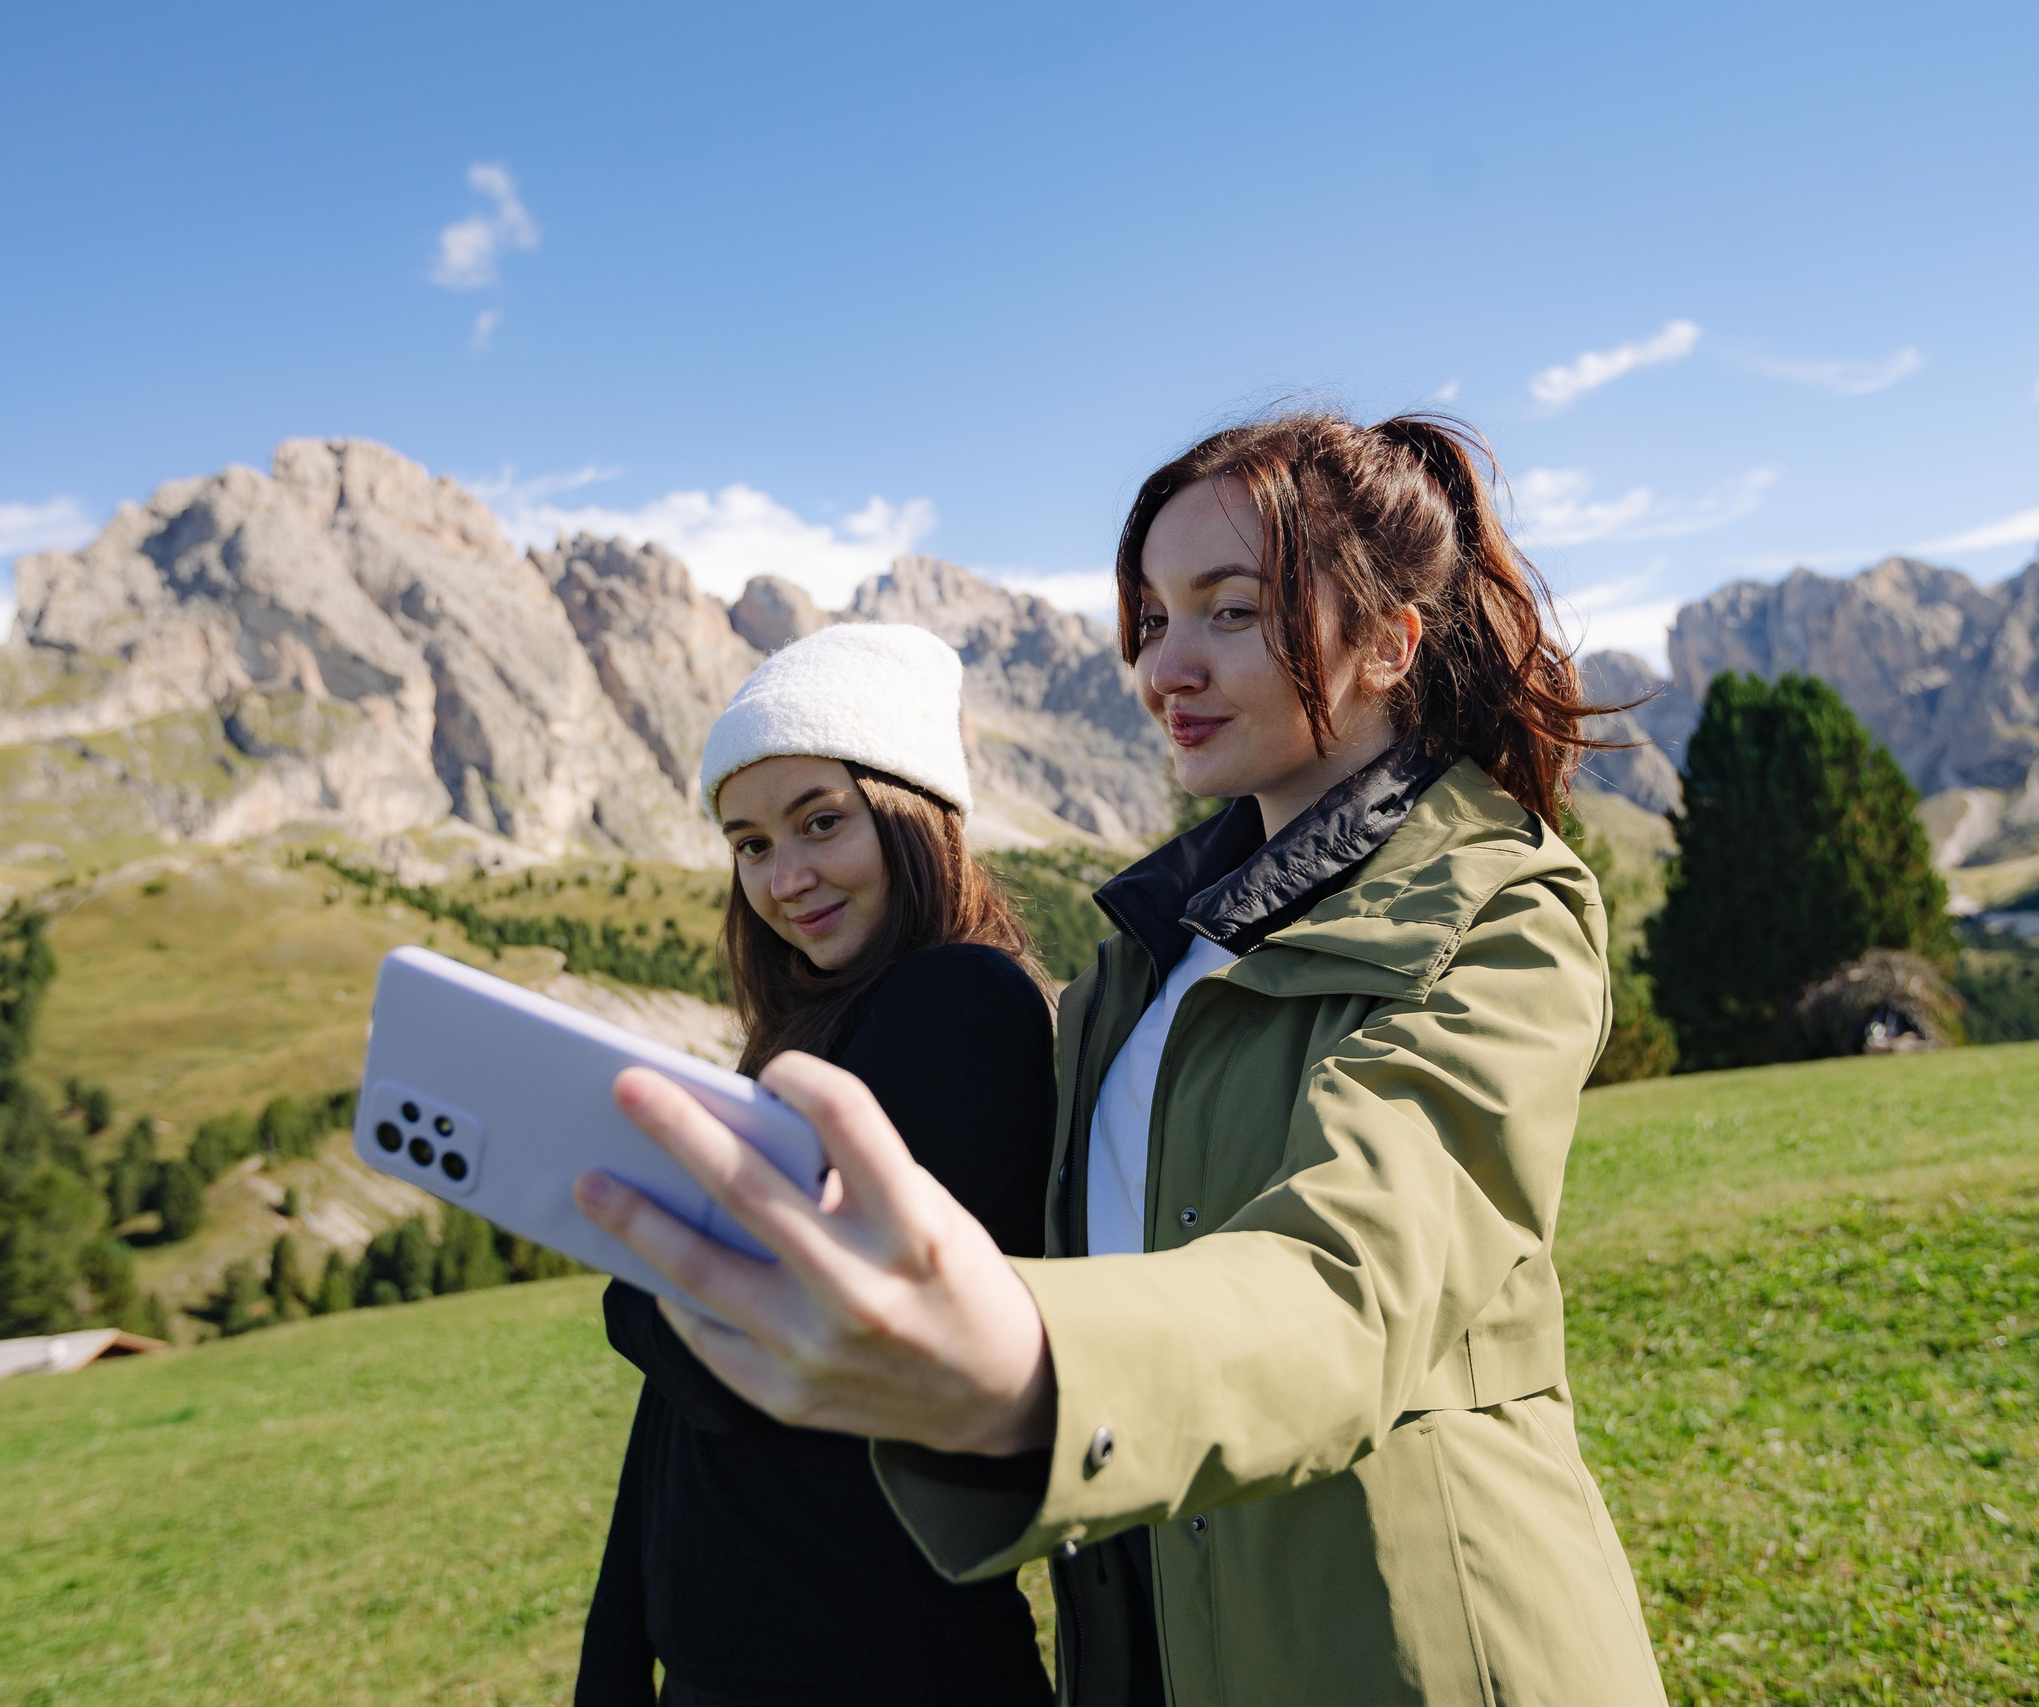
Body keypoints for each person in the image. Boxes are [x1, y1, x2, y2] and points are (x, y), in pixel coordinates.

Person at [578, 413, 1670, 1706]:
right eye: (1152, 620)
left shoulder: (1501, 906)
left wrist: (1029, 1364)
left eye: (1229, 610)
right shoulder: (1132, 975)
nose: (1164, 666)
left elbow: (1352, 1281)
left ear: (1389, 640)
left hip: (1419, 1650)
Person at [575, 623, 1057, 1707]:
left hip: (881, 1665)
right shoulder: (827, 1026)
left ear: (913, 813)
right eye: (749, 844)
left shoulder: (958, 1002)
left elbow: (732, 1347)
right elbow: (675, 1408)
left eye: (821, 821)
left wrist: (637, 1289)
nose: (785, 879)